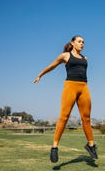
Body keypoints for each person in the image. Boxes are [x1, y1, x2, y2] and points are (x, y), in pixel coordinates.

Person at [33, 35, 98, 163]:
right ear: (73, 43)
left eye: (83, 42)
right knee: (64, 117)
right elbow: (52, 66)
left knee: (86, 118)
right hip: (70, 86)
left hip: (84, 87)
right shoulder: (65, 56)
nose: (82, 44)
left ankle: (90, 145)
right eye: (79, 42)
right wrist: (40, 75)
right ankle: (54, 147)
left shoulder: (85, 58)